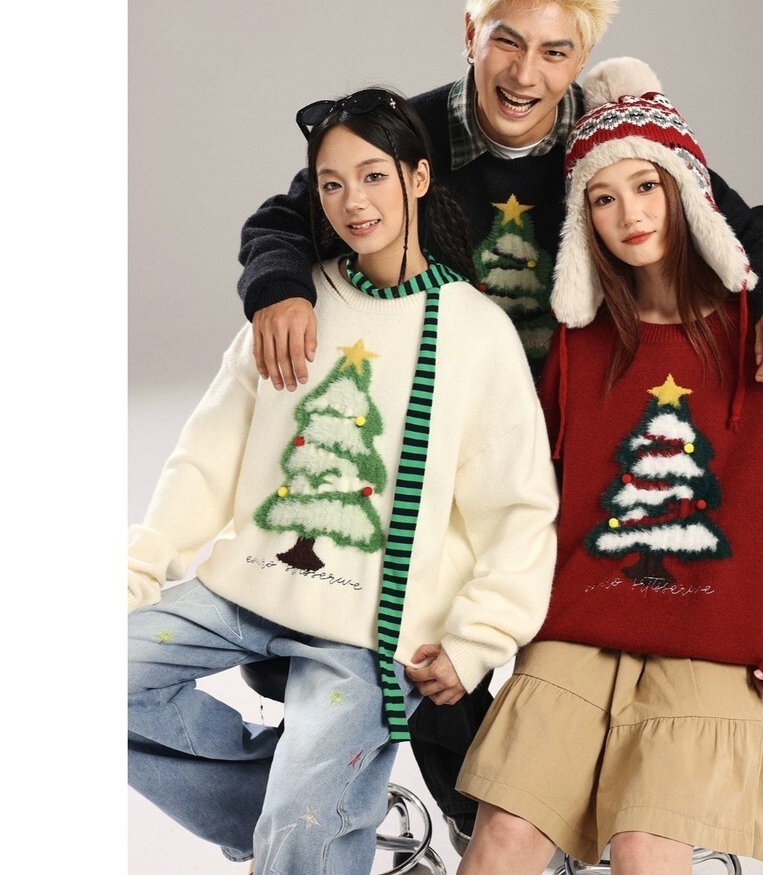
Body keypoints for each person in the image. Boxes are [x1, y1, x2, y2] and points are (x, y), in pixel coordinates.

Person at [234, 0, 763, 841]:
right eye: (506, 42)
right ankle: (469, 818)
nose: (525, 74)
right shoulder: (409, 132)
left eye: (555, 52)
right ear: (469, 33)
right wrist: (279, 289)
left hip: (569, 428)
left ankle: (554, 809)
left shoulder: (604, 142)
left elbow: (737, 224)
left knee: (533, 622)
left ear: (581, 59)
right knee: (418, 624)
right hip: (435, 419)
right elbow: (285, 217)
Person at [453, 58, 763, 874]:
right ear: (584, 222)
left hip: (712, 646)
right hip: (576, 634)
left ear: (685, 189)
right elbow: (530, 487)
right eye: (602, 199)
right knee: (502, 837)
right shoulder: (581, 342)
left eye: (646, 186)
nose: (630, 215)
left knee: (648, 852)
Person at [127, 88, 559, 874]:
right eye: (332, 184)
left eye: (372, 176)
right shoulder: (294, 306)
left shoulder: (474, 332)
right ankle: (305, 809)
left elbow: (518, 510)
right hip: (244, 592)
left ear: (418, 178)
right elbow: (210, 451)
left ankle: (312, 814)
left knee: (302, 830)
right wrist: (144, 560)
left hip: (368, 635)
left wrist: (478, 638)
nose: (353, 201)